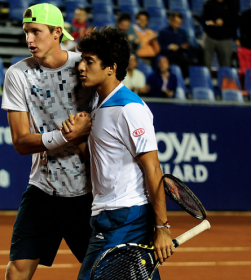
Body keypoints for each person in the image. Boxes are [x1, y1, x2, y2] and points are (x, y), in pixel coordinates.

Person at [60, 27, 173, 280]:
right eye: (82, 61)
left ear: (111, 67)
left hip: (126, 217)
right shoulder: (99, 108)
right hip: (106, 215)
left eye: (89, 62)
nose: (81, 67)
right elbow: (99, 163)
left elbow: (153, 168)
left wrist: (162, 227)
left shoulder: (129, 108)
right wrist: (77, 139)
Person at [1, 3, 95, 280]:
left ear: (57, 33)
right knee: (17, 271)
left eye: (35, 31)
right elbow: (20, 142)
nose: (29, 39)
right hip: (43, 188)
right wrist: (66, 135)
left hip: (88, 193)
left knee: (106, 272)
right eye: (26, 32)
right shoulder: (17, 74)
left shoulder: (85, 67)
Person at [200, 0, 239, 70]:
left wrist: (224, 22)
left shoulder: (232, 3)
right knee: (206, 64)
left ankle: (223, 80)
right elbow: (203, 20)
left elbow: (235, 21)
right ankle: (206, 80)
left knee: (226, 66)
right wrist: (208, 23)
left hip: (225, 39)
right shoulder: (209, 3)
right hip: (209, 37)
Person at [158, 12, 190, 78]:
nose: (178, 25)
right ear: (171, 21)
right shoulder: (163, 32)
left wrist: (184, 47)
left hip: (180, 54)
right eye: (176, 23)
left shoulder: (182, 32)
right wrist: (168, 47)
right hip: (168, 56)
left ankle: (186, 79)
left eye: (179, 23)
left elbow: (186, 44)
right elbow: (159, 48)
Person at [236, 3, 251, 86]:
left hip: (244, 47)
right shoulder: (244, 15)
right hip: (245, 48)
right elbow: (233, 26)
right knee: (244, 71)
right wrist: (236, 38)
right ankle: (243, 90)